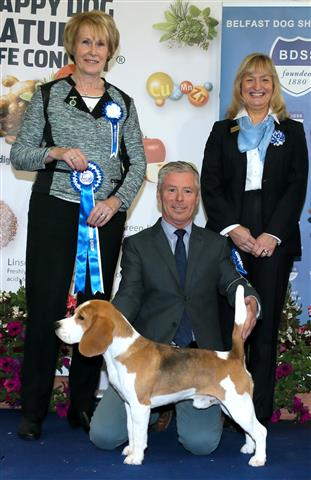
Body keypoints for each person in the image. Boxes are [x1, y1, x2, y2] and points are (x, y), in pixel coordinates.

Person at [10, 10, 146, 440]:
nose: (92, 51)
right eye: (85, 42)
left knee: (96, 312)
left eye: (100, 44)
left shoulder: (123, 103)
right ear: (73, 47)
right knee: (46, 307)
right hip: (55, 207)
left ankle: (83, 406)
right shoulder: (47, 96)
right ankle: (33, 411)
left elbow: (137, 163)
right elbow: (21, 155)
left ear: (110, 51)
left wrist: (115, 201)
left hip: (102, 216)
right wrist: (55, 152)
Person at [89, 161, 260, 456]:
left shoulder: (216, 244)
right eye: (171, 190)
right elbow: (129, 295)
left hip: (199, 360)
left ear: (197, 198)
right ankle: (154, 408)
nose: (179, 199)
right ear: (159, 195)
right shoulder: (137, 245)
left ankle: (173, 408)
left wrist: (250, 301)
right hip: (149, 360)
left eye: (188, 191)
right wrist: (107, 322)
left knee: (201, 445)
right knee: (103, 436)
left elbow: (233, 282)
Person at [200, 53, 309, 423]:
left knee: (262, 328)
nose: (257, 87)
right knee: (227, 325)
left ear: (274, 86)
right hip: (231, 231)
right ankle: (221, 414)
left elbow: (296, 187)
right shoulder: (222, 130)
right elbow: (210, 185)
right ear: (240, 87)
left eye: (264, 80)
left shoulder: (291, 131)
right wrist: (234, 229)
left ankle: (256, 418)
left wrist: (272, 235)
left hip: (273, 234)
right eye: (250, 80)